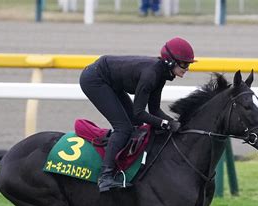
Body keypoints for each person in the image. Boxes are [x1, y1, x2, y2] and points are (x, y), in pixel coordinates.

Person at [79, 37, 196, 193]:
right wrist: (166, 124)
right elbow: (140, 113)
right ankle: (105, 177)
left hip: (109, 80)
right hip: (95, 79)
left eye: (188, 64)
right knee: (124, 128)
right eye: (184, 64)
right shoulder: (151, 76)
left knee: (135, 125)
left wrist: (176, 123)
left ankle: (123, 164)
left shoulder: (161, 75)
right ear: (170, 62)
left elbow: (154, 111)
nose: (187, 68)